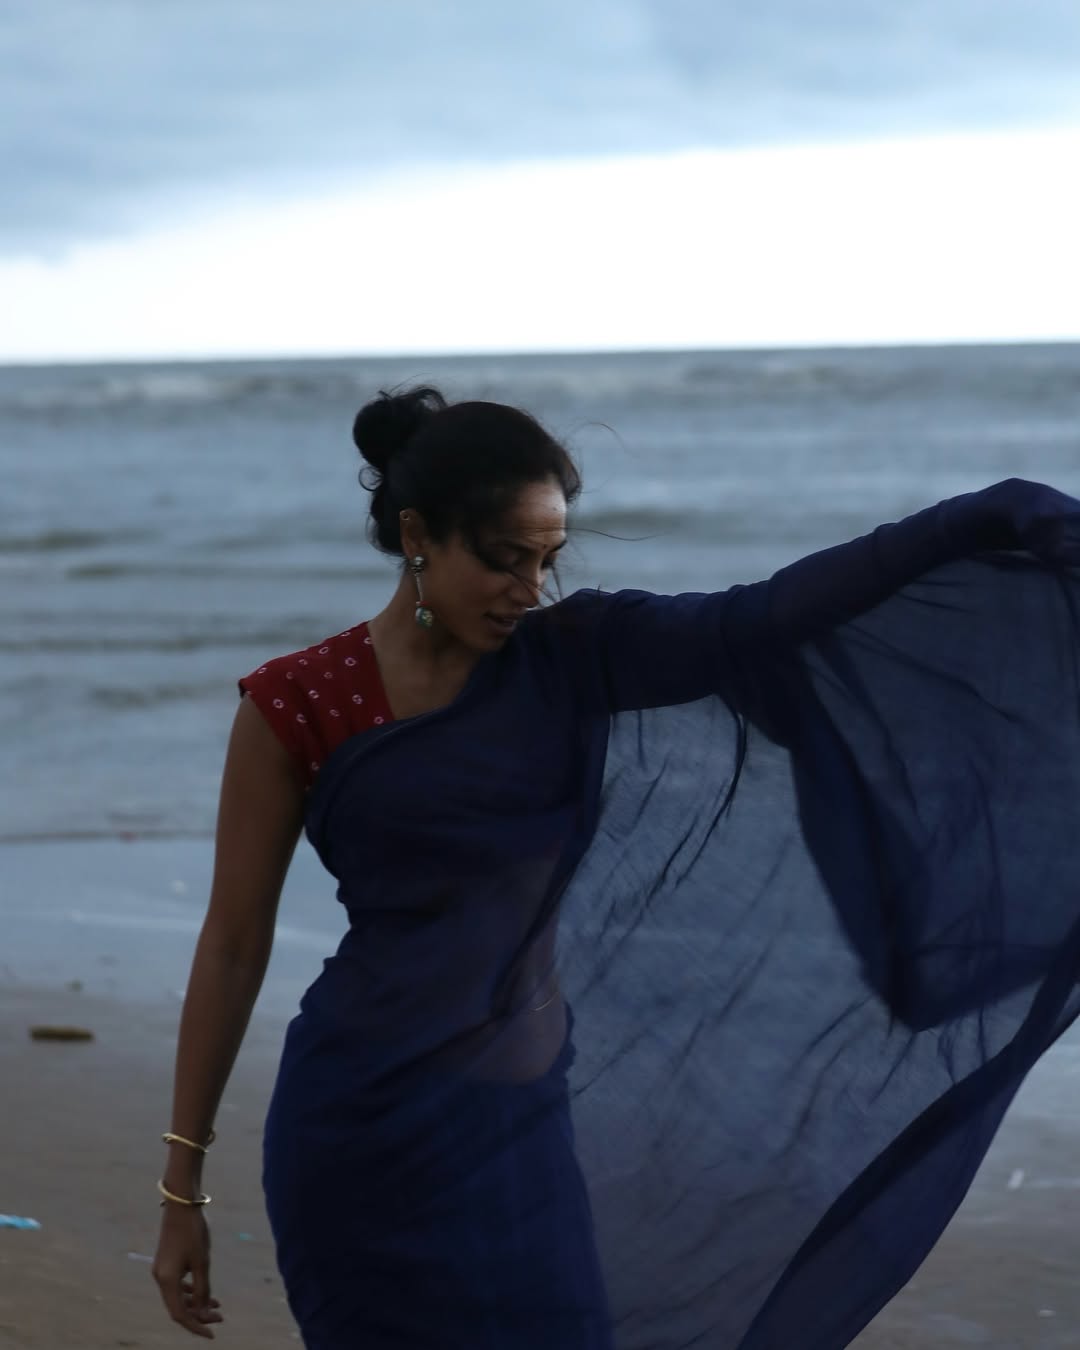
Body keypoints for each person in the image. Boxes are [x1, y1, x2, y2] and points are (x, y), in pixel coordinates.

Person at [153, 386, 1080, 1349]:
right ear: (419, 535)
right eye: (504, 559)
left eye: (547, 559)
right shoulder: (297, 703)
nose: (530, 589)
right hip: (355, 1137)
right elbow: (232, 946)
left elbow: (763, 618)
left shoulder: (573, 658)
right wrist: (182, 1190)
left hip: (517, 1130)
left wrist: (976, 521)